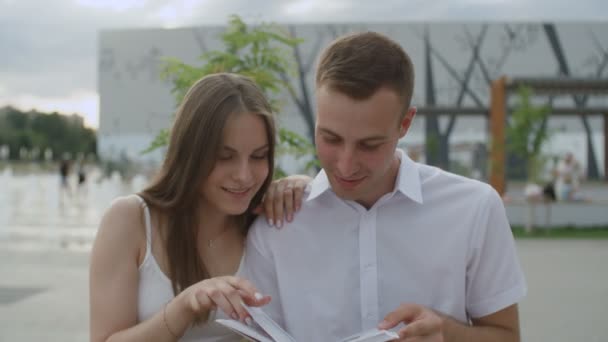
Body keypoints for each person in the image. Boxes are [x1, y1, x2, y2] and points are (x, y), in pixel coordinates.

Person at [240, 32, 527, 341]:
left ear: (405, 123)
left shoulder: (475, 208)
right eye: (330, 138)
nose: (346, 165)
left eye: (369, 145)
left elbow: (506, 336)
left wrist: (447, 333)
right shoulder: (277, 223)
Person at [89, 73, 308, 342]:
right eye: (224, 157)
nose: (244, 175)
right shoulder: (131, 219)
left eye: (258, 156)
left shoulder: (267, 221)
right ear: (190, 153)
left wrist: (303, 188)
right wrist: (185, 306)